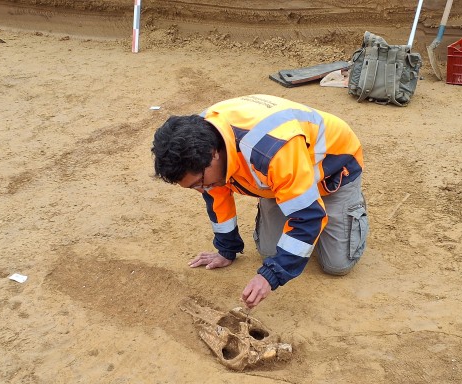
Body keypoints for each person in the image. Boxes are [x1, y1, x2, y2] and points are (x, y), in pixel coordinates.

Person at [151, 94, 369, 309]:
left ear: (213, 155)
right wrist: (227, 250)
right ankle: (290, 194)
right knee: (268, 251)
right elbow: (216, 195)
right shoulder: (199, 141)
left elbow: (309, 218)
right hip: (281, 173)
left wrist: (269, 276)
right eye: (193, 187)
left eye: (200, 182)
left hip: (334, 169)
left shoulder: (272, 151)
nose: (201, 190)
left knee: (336, 265)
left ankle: (340, 206)